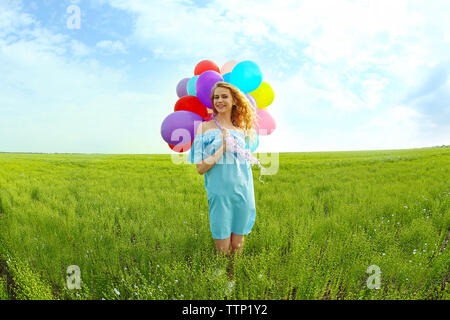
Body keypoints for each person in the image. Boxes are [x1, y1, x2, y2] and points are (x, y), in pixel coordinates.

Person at [188, 82, 259, 256]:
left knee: (238, 244)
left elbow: (243, 164)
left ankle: (233, 279)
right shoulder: (204, 128)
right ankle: (222, 280)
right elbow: (200, 168)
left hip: (243, 191)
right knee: (223, 247)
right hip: (220, 193)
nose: (219, 100)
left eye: (224, 96)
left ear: (234, 100)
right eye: (216, 97)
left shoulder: (241, 130)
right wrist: (222, 148)